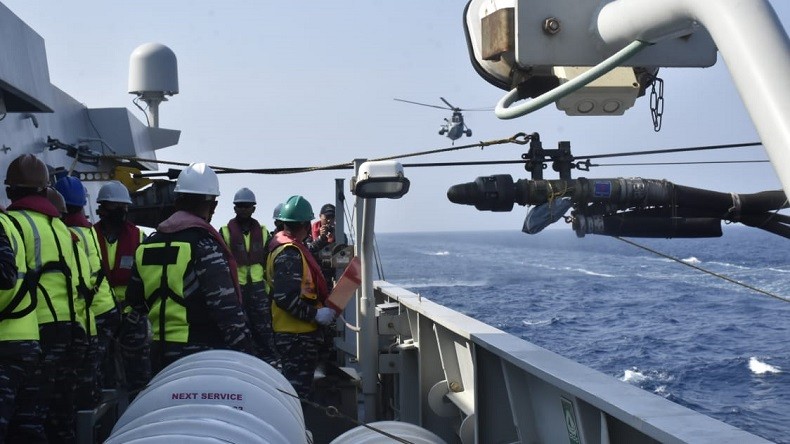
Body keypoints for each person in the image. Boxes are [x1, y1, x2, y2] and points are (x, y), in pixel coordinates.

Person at [126, 163, 254, 375]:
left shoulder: (147, 245)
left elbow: (135, 305)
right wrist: (247, 357)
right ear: (212, 205)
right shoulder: (204, 246)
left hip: (159, 355)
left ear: (177, 201)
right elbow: (226, 311)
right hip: (200, 355)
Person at [4, 154, 86, 443]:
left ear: (10, 190)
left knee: (24, 419)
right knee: (54, 411)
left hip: (35, 325)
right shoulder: (61, 228)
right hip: (67, 325)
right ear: (44, 190)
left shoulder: (12, 223)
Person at [266, 195, 336, 399]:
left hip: (295, 335)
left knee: (297, 391)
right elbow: (284, 297)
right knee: (297, 395)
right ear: (305, 225)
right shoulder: (289, 253)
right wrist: (315, 315)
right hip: (295, 336)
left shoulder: (288, 247)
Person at [55, 176, 115, 409]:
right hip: (105, 306)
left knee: (84, 376)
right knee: (96, 369)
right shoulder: (87, 230)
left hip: (93, 311)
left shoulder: (68, 234)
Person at [92, 180, 149, 394]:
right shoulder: (89, 236)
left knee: (139, 373)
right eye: (115, 206)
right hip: (101, 315)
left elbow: (147, 277)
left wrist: (138, 309)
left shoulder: (139, 237)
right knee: (101, 371)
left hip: (131, 314)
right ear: (102, 208)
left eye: (123, 207)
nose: (121, 211)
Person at [219, 187, 275, 364]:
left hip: (259, 288)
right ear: (234, 208)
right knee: (240, 329)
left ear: (254, 208)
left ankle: (269, 361)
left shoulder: (265, 232)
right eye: (240, 206)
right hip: (238, 289)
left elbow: (269, 262)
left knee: (264, 330)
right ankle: (242, 363)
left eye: (247, 206)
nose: (244, 209)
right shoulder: (224, 232)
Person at [0, 201, 40, 442]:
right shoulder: (8, 222)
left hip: (7, 344)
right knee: (26, 429)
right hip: (22, 337)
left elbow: (6, 274)